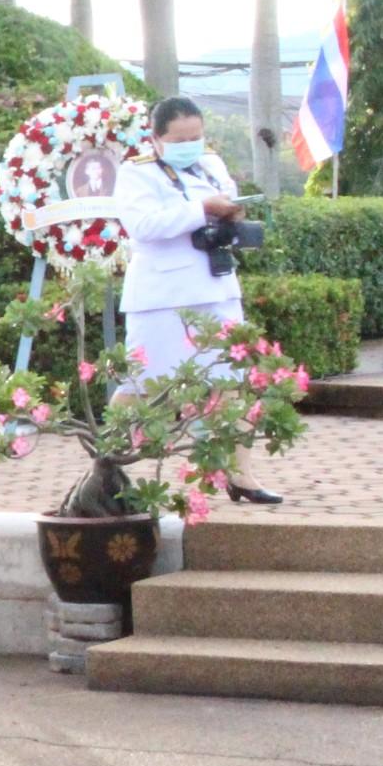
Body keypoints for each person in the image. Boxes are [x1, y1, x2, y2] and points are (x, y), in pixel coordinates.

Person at [116, 94, 281, 505]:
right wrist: (200, 208)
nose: (190, 145)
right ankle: (108, 464)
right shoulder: (136, 173)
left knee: (232, 383)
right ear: (156, 138)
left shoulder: (211, 164)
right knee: (144, 385)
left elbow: (227, 201)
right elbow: (143, 225)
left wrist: (230, 213)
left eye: (196, 137)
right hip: (162, 297)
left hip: (215, 285)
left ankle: (241, 476)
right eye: (179, 139)